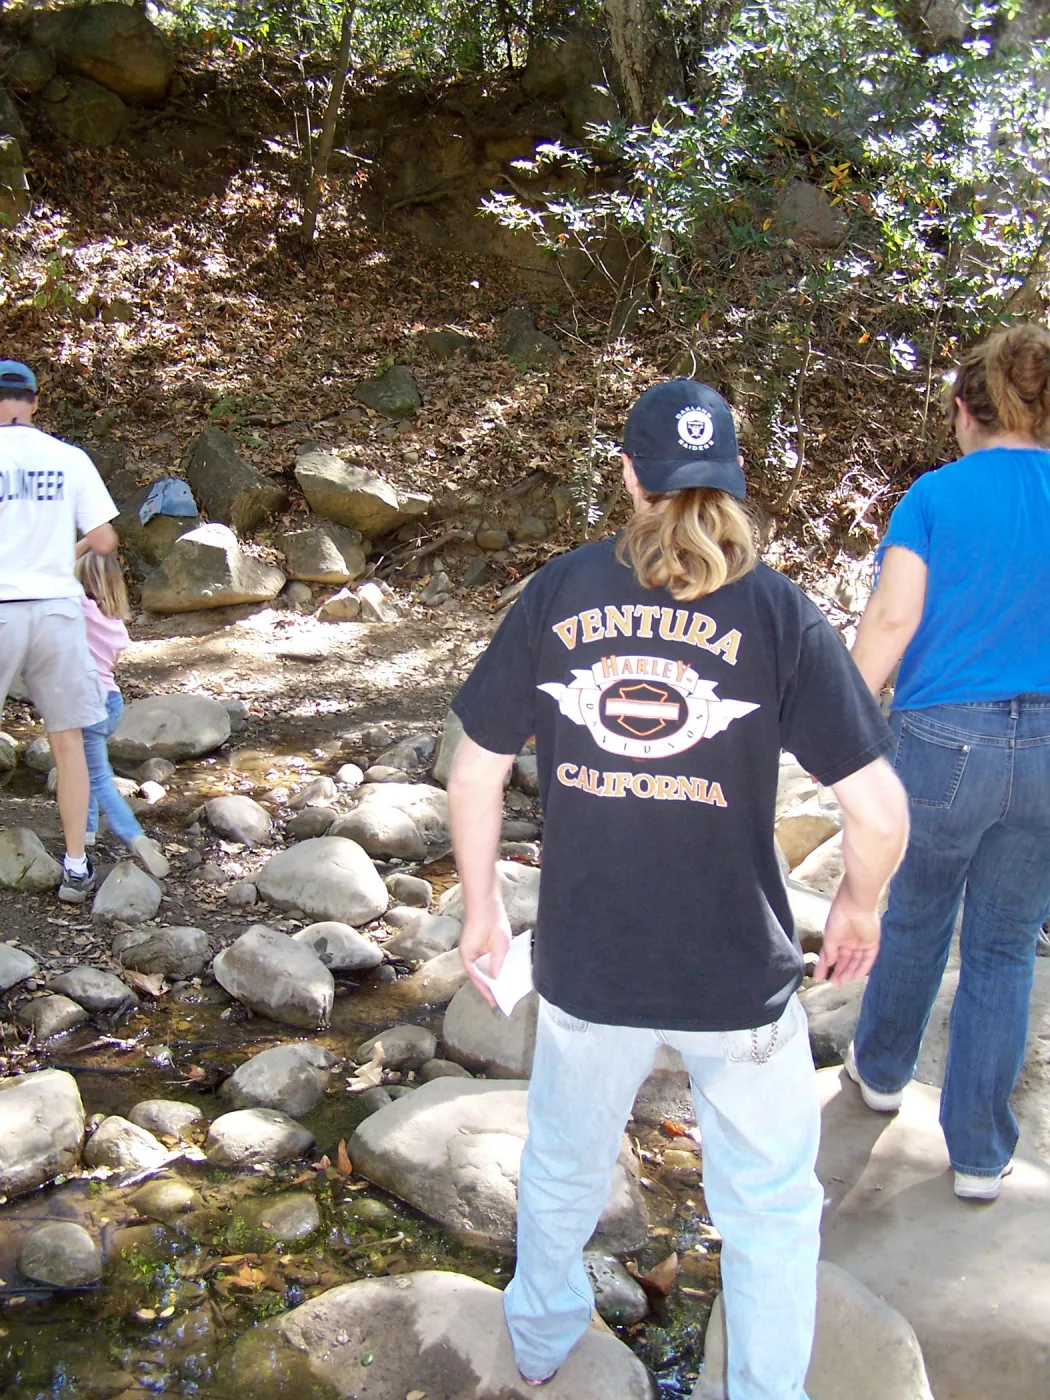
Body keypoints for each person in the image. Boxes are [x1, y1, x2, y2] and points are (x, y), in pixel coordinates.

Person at [446, 379, 909, 1400]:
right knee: (772, 1208)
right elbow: (879, 815)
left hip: (590, 963)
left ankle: (536, 1347)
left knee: (564, 1168)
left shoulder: (560, 592)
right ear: (732, 481)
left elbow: (474, 767)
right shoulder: (779, 609)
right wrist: (858, 905)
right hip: (737, 971)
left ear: (628, 476)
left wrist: (483, 908)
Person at [847, 323, 1050, 1202]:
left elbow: (892, 622)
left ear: (965, 410)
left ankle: (883, 1074)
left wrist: (840, 716)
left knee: (919, 914)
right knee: (1005, 946)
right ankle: (978, 1155)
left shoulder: (935, 495)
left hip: (942, 740)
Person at [0, 359, 120, 903]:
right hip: (56, 607)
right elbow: (104, 541)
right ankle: (75, 867)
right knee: (68, 742)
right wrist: (55, 553)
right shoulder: (69, 458)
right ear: (36, 402)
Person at [74, 550, 169, 878]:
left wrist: (86, 540)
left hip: (85, 704)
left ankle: (134, 836)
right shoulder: (114, 625)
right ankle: (85, 832)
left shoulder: (79, 609)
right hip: (111, 702)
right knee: (85, 770)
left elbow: (53, 573)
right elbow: (110, 667)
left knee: (97, 777)